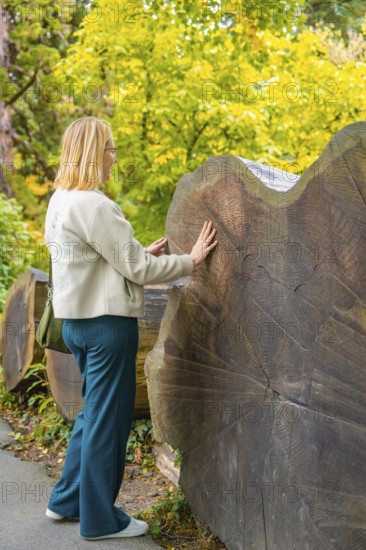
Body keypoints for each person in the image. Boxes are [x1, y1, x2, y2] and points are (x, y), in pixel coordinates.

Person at [43, 116, 218, 540]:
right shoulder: (97, 204)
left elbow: (93, 258)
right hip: (107, 328)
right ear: (92, 153)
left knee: (93, 413)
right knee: (110, 420)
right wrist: (191, 260)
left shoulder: (61, 201)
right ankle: (101, 519)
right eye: (110, 149)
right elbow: (138, 270)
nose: (113, 158)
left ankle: (65, 500)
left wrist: (138, 249)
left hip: (75, 327)